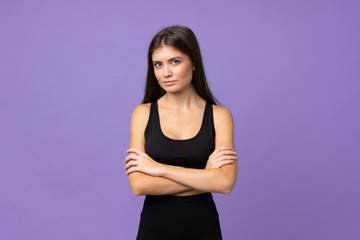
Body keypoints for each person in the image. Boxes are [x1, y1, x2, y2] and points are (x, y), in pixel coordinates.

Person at [124, 25, 237, 240]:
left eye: (175, 61)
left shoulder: (220, 116)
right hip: (154, 231)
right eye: (158, 64)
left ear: (193, 62)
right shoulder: (143, 114)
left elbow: (225, 183)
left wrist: (159, 169)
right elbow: (139, 185)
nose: (166, 72)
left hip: (203, 229)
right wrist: (205, 175)